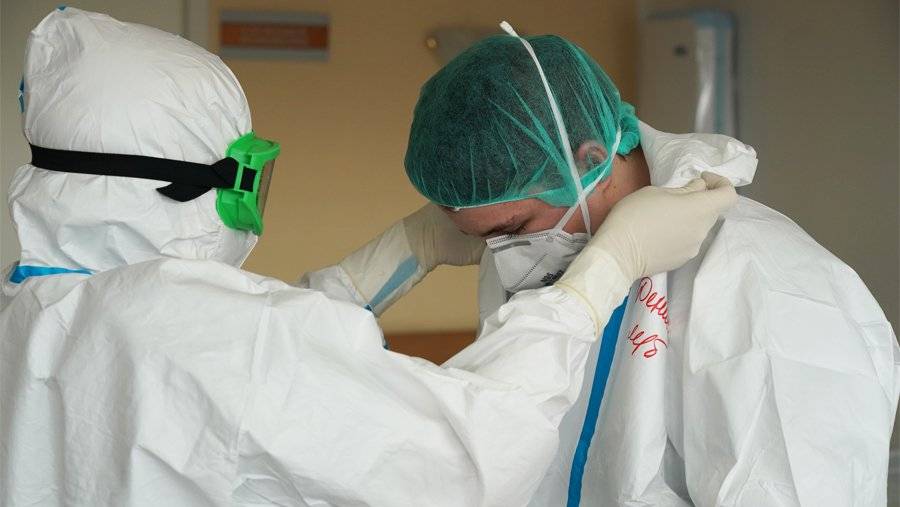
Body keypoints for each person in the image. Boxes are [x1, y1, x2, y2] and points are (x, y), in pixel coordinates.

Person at [0, 9, 735, 506]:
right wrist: (599, 275)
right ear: (203, 181)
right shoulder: (206, 334)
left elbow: (252, 368)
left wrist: (396, 257)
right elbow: (474, 454)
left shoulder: (39, 309)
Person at [400, 22, 900, 507]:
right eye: (482, 236)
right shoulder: (543, 250)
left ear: (590, 160)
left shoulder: (765, 282)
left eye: (513, 227)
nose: (504, 255)